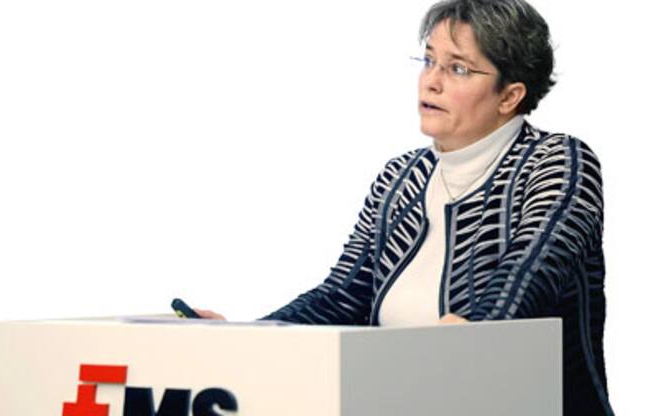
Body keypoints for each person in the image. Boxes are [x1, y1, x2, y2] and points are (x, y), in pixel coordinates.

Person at [196, 0, 613, 414]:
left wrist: (470, 334)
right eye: (429, 61)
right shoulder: (401, 177)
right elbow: (343, 297)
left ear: (509, 95)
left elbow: (531, 272)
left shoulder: (557, 161)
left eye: (458, 69)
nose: (431, 82)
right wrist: (251, 338)